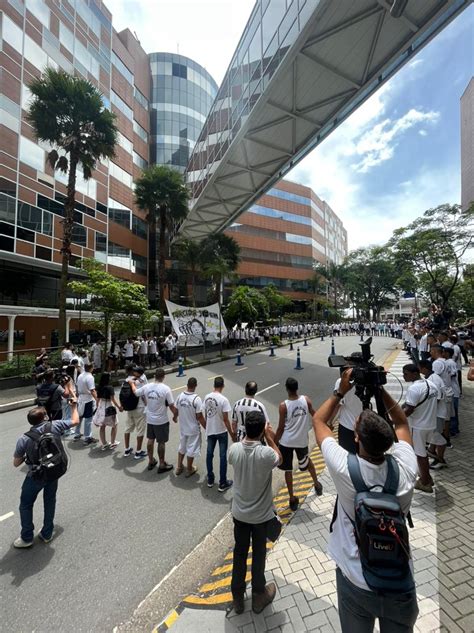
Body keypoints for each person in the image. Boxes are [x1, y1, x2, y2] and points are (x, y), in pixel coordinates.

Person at [312, 369, 419, 633]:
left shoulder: (345, 469)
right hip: (398, 582)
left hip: (354, 580)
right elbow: (403, 424)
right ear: (389, 442)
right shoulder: (406, 467)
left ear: (356, 438)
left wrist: (341, 391)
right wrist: (380, 388)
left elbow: (319, 422)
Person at [229, 411, 282, 615]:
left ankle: (237, 597)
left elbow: (241, 450)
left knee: (239, 553)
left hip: (239, 515)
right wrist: (269, 437)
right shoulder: (266, 454)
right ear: (261, 430)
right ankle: (259, 595)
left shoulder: (234, 450)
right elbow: (280, 457)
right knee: (259, 554)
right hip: (260, 517)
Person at [12, 400, 80, 548]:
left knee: (25, 504)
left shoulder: (24, 438)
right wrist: (74, 406)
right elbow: (75, 420)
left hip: (35, 475)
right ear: (45, 418)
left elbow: (16, 463)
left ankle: (27, 537)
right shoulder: (55, 425)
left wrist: (25, 457)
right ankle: (47, 533)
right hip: (53, 470)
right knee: (50, 500)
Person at [275, 377, 323, 511]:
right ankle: (317, 484)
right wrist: (323, 424)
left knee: (288, 469)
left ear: (286, 389)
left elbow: (280, 427)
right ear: (297, 388)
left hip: (286, 442)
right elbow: (315, 414)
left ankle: (292, 498)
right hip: (301, 441)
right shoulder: (305, 400)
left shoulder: (283, 406)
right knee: (307, 462)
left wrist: (274, 442)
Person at [131, 367, 177, 473]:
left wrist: (132, 383)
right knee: (161, 442)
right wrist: (176, 415)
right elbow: (171, 405)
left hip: (150, 419)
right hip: (161, 420)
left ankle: (151, 461)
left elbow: (136, 392)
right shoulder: (166, 389)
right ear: (163, 377)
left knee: (150, 440)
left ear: (155, 376)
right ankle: (161, 464)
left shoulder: (147, 386)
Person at [402, 364, 439, 493]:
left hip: (418, 426)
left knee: (420, 455)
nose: (404, 376)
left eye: (405, 374)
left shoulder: (414, 389)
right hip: (431, 424)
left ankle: (425, 482)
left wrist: (395, 419)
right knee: (423, 452)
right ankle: (427, 477)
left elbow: (409, 410)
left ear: (414, 373)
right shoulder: (431, 384)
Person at [203, 376, 234, 492]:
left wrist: (207, 427)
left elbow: (206, 413)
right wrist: (232, 434)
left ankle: (210, 479)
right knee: (222, 457)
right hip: (221, 431)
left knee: (209, 454)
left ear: (214, 385)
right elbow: (226, 419)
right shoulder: (223, 400)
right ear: (223, 386)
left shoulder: (207, 397)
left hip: (210, 430)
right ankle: (222, 482)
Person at [418, 360, 448, 469]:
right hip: (436, 413)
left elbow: (438, 398)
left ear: (424, 368)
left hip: (438, 413)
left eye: (419, 368)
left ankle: (441, 460)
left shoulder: (433, 379)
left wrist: (427, 411)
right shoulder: (431, 378)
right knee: (435, 435)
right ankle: (434, 454)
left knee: (438, 437)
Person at [174, 377, 206, 477]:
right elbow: (199, 416)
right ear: (195, 386)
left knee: (182, 446)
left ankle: (179, 467)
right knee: (191, 448)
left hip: (183, 428)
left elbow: (176, 410)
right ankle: (189, 468)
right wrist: (206, 427)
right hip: (193, 429)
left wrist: (175, 417)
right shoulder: (196, 399)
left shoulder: (180, 396)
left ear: (187, 385)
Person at [331, 365, 363, 453]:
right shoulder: (368, 380)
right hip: (365, 426)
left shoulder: (341, 382)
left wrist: (330, 422)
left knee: (347, 458)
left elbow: (337, 405)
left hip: (346, 427)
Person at [122, 365, 148, 459]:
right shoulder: (142, 378)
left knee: (128, 428)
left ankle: (127, 449)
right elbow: (145, 393)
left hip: (129, 408)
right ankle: (138, 452)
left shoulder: (126, 380)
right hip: (140, 408)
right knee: (140, 430)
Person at [93, 372, 123, 450]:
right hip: (109, 407)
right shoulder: (110, 387)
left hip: (101, 406)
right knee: (114, 425)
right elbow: (113, 399)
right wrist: (119, 407)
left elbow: (97, 399)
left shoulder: (99, 387)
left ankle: (104, 444)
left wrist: (97, 407)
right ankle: (112, 443)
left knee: (102, 426)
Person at [74, 362, 98, 445]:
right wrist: (97, 400)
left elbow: (77, 386)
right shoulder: (90, 377)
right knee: (88, 419)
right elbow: (92, 390)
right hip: (88, 399)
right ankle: (87, 437)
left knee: (80, 417)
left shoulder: (80, 375)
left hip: (80, 398)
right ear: (91, 368)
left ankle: (77, 433)